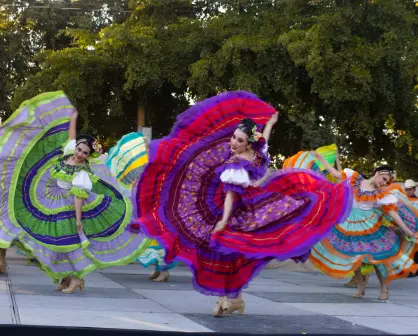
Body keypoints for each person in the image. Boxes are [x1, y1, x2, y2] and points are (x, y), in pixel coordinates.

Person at [133, 91, 353, 317]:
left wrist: (224, 221)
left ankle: (231, 298)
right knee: (227, 252)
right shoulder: (245, 158)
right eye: (233, 137)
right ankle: (229, 298)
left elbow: (233, 191)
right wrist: (270, 123)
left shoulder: (244, 160)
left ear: (249, 143)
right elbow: (253, 156)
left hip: (244, 207)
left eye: (239, 140)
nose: (233, 142)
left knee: (237, 250)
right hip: (236, 205)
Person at [0, 91, 150, 292]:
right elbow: (71, 136)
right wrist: (73, 118)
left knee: (69, 247)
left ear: (89, 156)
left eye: (84, 153)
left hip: (70, 209)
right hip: (53, 202)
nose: (80, 154)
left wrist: (78, 219)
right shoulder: (68, 154)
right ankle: (64, 279)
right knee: (55, 246)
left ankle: (77, 278)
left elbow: (79, 196)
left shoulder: (82, 172)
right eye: (79, 150)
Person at [310, 153, 418, 300]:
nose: (384, 183)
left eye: (387, 182)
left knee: (376, 260)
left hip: (369, 228)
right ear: (378, 173)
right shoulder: (353, 177)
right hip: (348, 225)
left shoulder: (381, 194)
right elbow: (336, 174)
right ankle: (361, 287)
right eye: (384, 179)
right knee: (353, 257)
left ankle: (383, 288)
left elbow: (394, 215)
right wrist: (321, 159)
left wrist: (407, 231)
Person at [105, 132, 179, 282]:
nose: (145, 150)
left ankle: (163, 271)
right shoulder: (144, 164)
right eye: (143, 148)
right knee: (150, 238)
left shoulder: (158, 163)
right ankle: (159, 270)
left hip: (158, 207)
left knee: (160, 239)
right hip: (147, 206)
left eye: (146, 147)